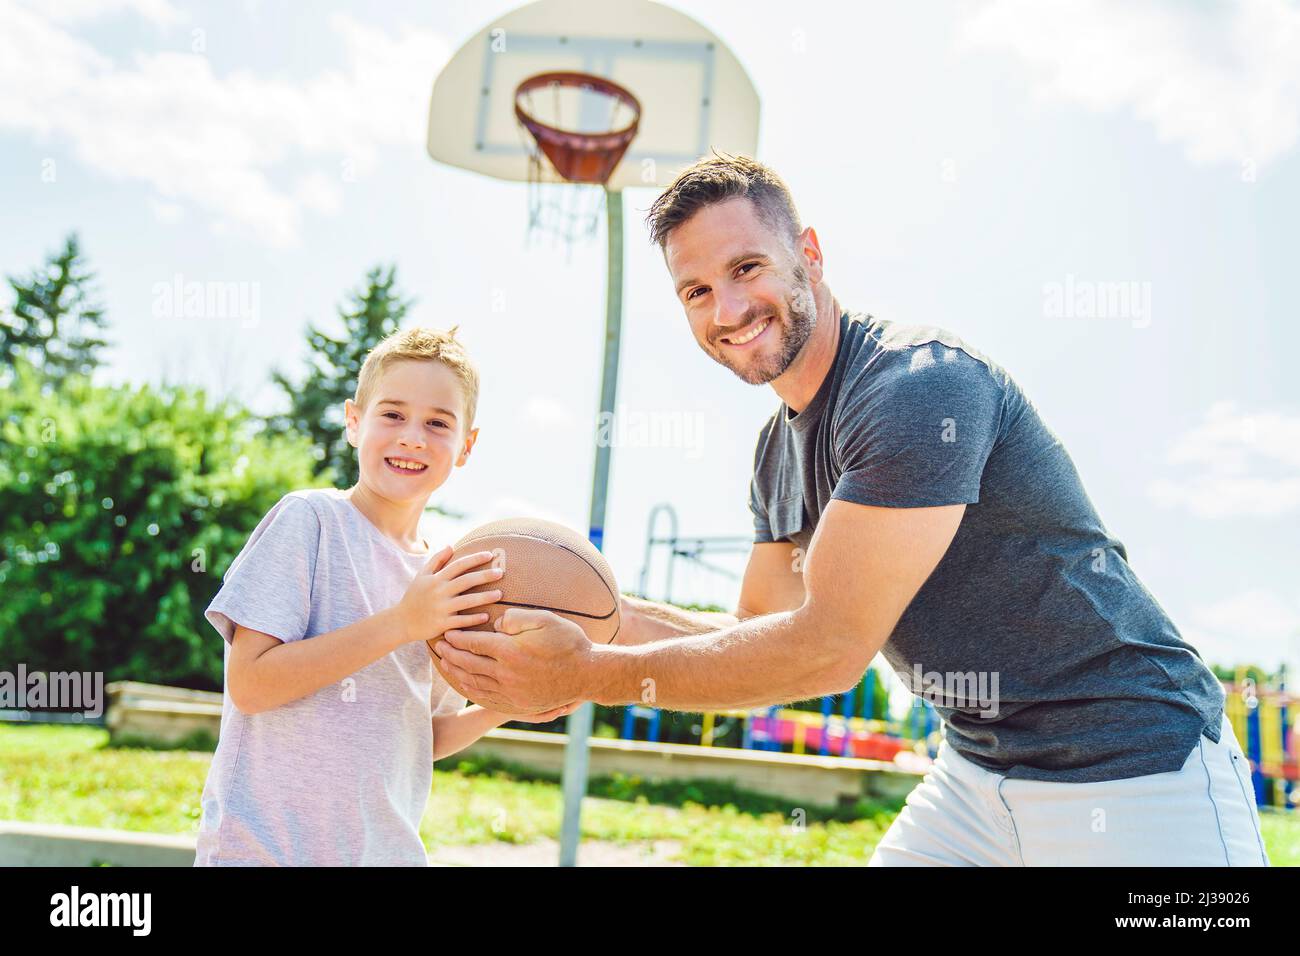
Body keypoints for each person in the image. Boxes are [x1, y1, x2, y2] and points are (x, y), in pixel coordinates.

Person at [432, 155, 1270, 866]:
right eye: (695, 291)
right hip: (980, 775)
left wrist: (585, 674)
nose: (726, 311)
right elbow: (757, 630)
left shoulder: (918, 388)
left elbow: (827, 652)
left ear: (810, 254)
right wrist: (600, 618)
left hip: (1136, 765)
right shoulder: (777, 452)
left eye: (747, 269)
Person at [195, 326, 575, 866]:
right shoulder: (309, 522)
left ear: (467, 445)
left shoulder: (451, 575)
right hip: (264, 852)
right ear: (355, 421)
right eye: (392, 414)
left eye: (438, 423)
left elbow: (425, 737)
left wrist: (507, 706)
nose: (413, 437)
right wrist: (402, 622)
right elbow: (252, 685)